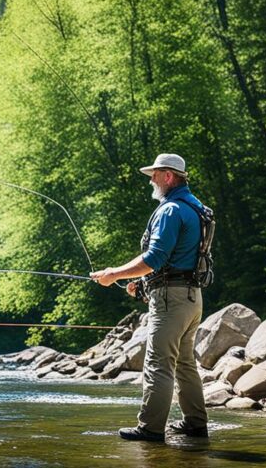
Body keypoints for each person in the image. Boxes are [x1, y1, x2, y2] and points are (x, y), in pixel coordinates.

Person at [89, 153, 209, 442]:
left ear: (169, 176)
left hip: (171, 302)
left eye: (155, 174)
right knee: (184, 363)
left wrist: (114, 274)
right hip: (192, 298)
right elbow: (180, 257)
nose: (151, 180)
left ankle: (150, 429)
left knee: (158, 363)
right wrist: (143, 282)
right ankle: (195, 424)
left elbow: (155, 257)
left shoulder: (170, 211)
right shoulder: (197, 207)